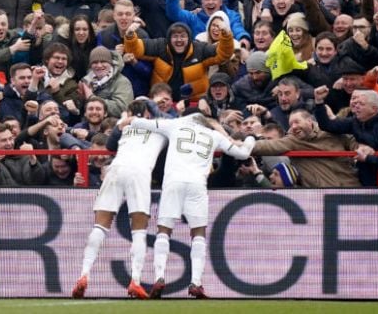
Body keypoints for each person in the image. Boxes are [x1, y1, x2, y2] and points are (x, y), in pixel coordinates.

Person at [126, 112, 254, 299]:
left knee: (163, 231)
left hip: (173, 182)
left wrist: (127, 120)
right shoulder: (214, 135)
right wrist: (250, 138)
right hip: (197, 184)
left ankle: (159, 277)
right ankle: (196, 282)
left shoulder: (175, 125)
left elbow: (140, 123)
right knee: (198, 234)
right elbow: (243, 153)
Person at [72, 101, 167, 300]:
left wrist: (122, 123)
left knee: (100, 226)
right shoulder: (161, 128)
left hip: (115, 169)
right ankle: (135, 280)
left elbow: (109, 145)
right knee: (139, 230)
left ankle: (83, 275)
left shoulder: (125, 127)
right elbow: (170, 121)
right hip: (139, 173)